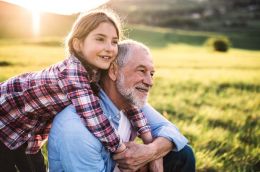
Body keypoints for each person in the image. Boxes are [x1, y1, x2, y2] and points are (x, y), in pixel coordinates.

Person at [0, 9, 153, 172]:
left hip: (28, 130)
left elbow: (128, 103)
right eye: (100, 39)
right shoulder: (72, 72)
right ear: (78, 44)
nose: (109, 48)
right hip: (5, 120)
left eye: (114, 42)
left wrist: (147, 137)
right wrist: (122, 151)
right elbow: (94, 117)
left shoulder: (96, 69)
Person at [48, 39, 196, 172]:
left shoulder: (130, 101)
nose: (150, 82)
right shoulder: (77, 127)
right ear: (113, 71)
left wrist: (151, 152)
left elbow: (173, 132)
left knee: (182, 155)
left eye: (151, 74)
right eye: (141, 71)